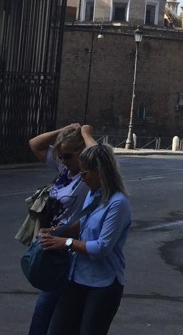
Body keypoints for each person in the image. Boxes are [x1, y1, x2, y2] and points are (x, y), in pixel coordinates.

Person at [41, 144, 132, 335]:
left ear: (100, 171)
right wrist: (57, 232)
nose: (82, 178)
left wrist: (66, 242)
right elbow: (83, 222)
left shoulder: (118, 203)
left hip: (103, 284)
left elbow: (101, 247)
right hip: (77, 276)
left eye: (85, 173)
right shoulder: (93, 193)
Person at [26, 123, 97, 335]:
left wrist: (85, 133)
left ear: (82, 153)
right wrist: (63, 131)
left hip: (71, 247)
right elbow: (35, 144)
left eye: (67, 156)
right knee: (57, 308)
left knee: (47, 306)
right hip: (54, 244)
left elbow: (99, 156)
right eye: (60, 155)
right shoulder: (64, 168)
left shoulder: (87, 176)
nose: (63, 160)